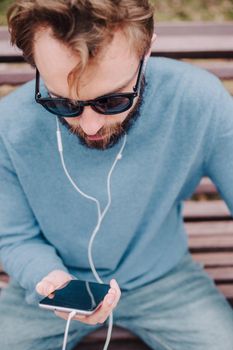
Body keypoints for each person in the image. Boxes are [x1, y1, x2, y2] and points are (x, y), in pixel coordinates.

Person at [0, 1, 233, 349]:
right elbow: (14, 235)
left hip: (163, 281)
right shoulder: (9, 124)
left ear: (147, 48)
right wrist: (49, 281)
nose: (90, 125)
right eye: (62, 103)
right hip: (51, 285)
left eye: (112, 102)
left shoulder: (198, 100)